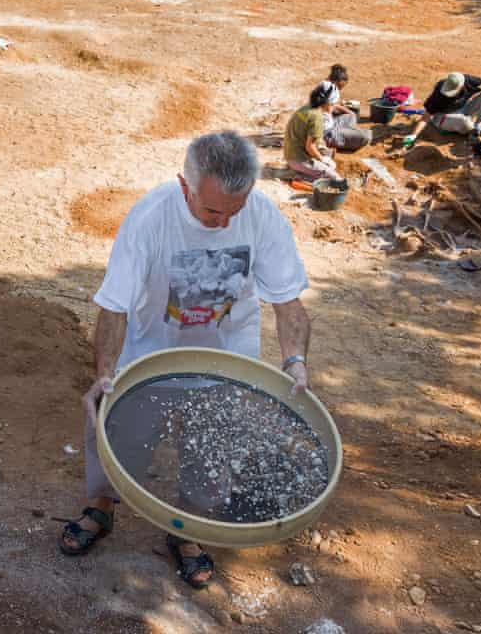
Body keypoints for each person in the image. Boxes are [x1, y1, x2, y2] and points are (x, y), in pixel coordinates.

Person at [59, 132, 314, 590]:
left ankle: (189, 532)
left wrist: (294, 359)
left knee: (214, 451)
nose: (223, 222)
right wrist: (105, 375)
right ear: (185, 186)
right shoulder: (150, 219)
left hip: (227, 360)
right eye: (211, 211)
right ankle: (101, 506)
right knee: (116, 434)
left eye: (233, 211)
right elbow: (114, 305)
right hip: (152, 355)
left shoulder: (261, 217)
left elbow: (288, 302)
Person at [405, 72, 481, 145]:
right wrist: (413, 135)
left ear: (462, 86)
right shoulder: (439, 92)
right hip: (443, 117)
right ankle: (472, 130)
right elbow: (425, 117)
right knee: (465, 122)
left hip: (463, 109)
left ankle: (475, 126)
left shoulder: (470, 81)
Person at [284, 83, 342, 181]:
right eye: (333, 103)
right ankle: (300, 175)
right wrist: (323, 160)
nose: (334, 106)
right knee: (335, 179)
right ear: (327, 102)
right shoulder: (317, 118)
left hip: (290, 153)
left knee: (327, 153)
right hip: (298, 160)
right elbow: (310, 146)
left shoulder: (308, 107)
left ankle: (301, 170)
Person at [318, 65, 371, 151]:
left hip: (330, 124)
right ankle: (345, 137)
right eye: (339, 87)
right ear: (335, 82)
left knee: (351, 116)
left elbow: (333, 106)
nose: (339, 90)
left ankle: (349, 134)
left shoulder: (325, 86)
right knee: (366, 137)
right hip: (327, 134)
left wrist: (349, 112)